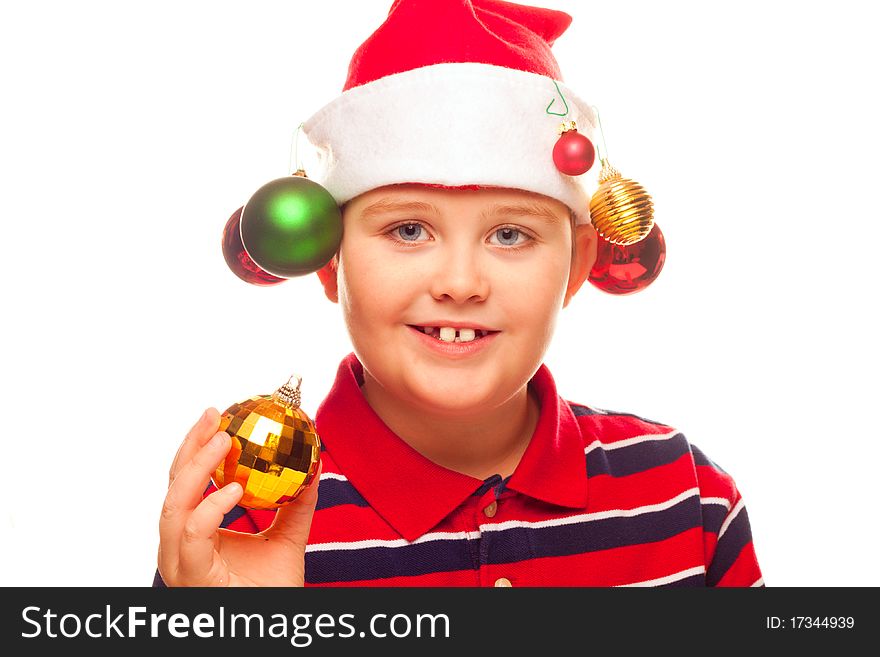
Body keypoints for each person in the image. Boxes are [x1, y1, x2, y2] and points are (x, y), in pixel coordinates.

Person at [156, 0, 763, 587]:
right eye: (408, 230)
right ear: (329, 259)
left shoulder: (688, 499)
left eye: (509, 234)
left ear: (579, 263)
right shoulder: (235, 527)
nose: (460, 284)